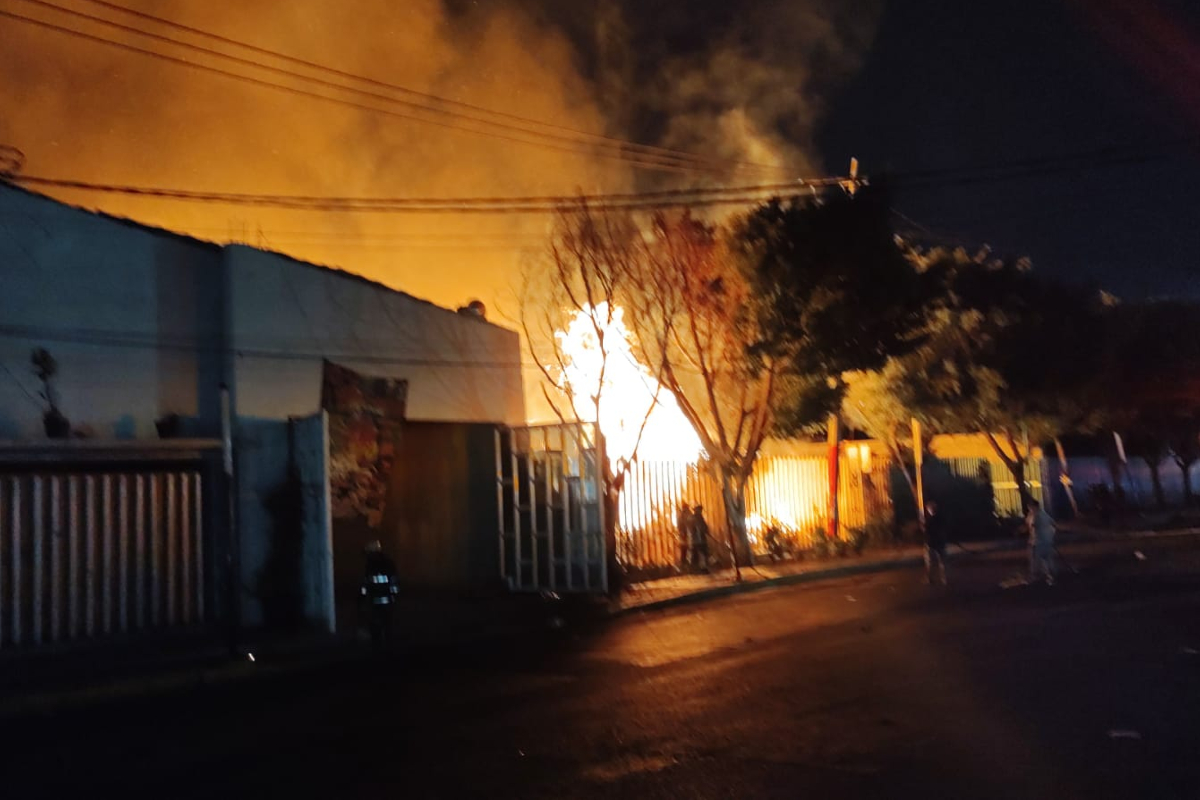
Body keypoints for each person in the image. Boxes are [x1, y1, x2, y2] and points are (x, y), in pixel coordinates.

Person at [360, 539, 399, 651]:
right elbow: (394, 582)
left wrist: (362, 598)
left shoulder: (371, 565)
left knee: (377, 626)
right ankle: (387, 647)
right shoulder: (389, 563)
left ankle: (379, 648)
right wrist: (394, 596)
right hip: (387, 601)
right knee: (387, 626)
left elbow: (366, 584)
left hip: (375, 601)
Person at [1025, 499, 1057, 585]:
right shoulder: (1035, 514)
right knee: (1041, 558)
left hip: (1040, 540)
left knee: (1040, 558)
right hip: (1038, 540)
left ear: (1035, 506)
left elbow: (1034, 525)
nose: (1029, 508)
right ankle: (1046, 576)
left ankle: (1045, 576)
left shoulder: (1040, 515)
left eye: (1030, 507)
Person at [923, 499, 948, 585]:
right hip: (940, 543)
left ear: (930, 509)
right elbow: (944, 529)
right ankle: (944, 579)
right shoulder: (941, 519)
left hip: (931, 544)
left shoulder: (929, 520)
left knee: (930, 562)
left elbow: (926, 531)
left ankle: (929, 579)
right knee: (942, 562)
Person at [690, 505, 710, 571]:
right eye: (699, 510)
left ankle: (700, 568)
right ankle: (701, 568)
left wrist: (706, 530)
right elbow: (699, 527)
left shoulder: (698, 517)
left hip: (699, 539)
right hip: (698, 539)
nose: (700, 511)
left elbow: (704, 527)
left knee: (701, 554)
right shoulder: (696, 518)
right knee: (701, 554)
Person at [676, 503, 693, 571]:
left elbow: (679, 525)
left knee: (684, 550)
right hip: (686, 534)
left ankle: (685, 565)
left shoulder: (681, 514)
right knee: (685, 549)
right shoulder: (686, 514)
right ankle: (686, 565)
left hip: (685, 534)